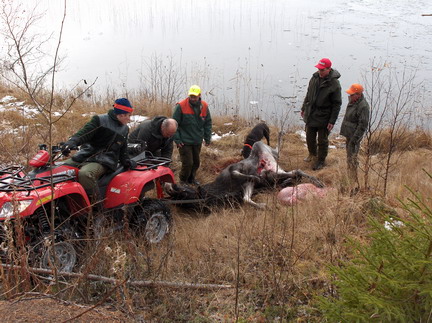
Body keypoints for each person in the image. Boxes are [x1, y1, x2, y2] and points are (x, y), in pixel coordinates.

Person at [61, 98, 136, 199]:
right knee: (61, 169)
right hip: (86, 154)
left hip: (105, 161)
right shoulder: (99, 120)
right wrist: (71, 142)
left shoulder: (125, 129)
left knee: (85, 174)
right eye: (128, 116)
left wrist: (127, 161)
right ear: (121, 115)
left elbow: (123, 148)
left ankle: (95, 205)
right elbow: (84, 133)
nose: (129, 119)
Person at [301, 58, 342, 170]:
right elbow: (308, 94)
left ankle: (321, 160)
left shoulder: (334, 84)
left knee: (322, 140)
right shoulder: (314, 78)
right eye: (319, 69)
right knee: (309, 136)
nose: (320, 71)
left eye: (322, 69)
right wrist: (304, 108)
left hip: (325, 115)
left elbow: (337, 104)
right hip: (312, 113)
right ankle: (312, 154)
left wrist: (332, 121)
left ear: (329, 69)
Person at [173, 85, 212, 185]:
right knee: (188, 163)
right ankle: (183, 181)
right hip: (184, 141)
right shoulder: (180, 106)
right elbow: (174, 124)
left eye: (195, 96)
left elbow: (208, 123)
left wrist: (207, 138)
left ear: (199, 95)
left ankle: (191, 179)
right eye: (191, 96)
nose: (193, 98)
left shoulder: (204, 106)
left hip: (197, 140)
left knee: (196, 163)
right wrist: (177, 139)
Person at [340, 83, 370, 184]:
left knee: (353, 157)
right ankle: (350, 175)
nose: (350, 96)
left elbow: (363, 125)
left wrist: (355, 139)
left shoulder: (363, 106)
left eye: (352, 94)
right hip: (349, 134)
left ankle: (353, 179)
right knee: (349, 156)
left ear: (358, 94)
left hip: (354, 137)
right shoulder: (353, 102)